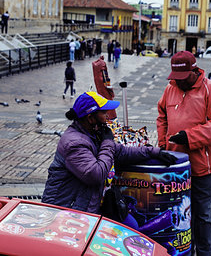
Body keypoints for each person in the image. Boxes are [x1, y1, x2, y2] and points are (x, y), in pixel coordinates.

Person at [42, 92, 177, 215]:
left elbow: (122, 152)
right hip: (64, 213)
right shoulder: (74, 143)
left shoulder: (93, 134)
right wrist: (107, 143)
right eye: (104, 113)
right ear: (90, 118)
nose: (107, 117)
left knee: (132, 224)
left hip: (83, 207)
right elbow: (96, 174)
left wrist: (154, 152)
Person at [156, 51, 211, 256]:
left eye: (183, 77)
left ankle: (204, 253)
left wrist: (188, 137)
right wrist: (163, 143)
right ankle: (185, 251)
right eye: (175, 78)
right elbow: (162, 116)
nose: (178, 82)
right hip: (176, 167)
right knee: (180, 213)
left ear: (194, 70)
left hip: (204, 167)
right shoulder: (170, 89)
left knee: (203, 215)